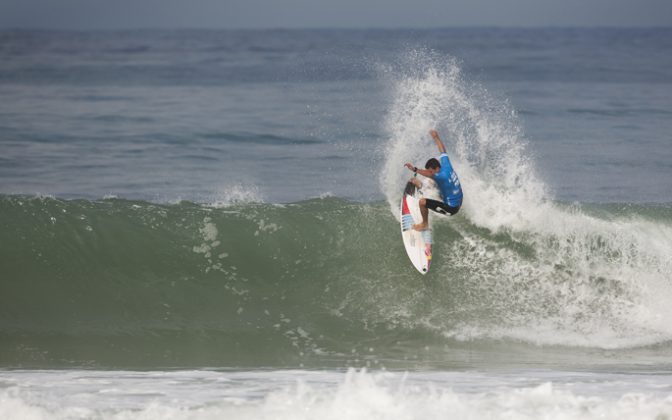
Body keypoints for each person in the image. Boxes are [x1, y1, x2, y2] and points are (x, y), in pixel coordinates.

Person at [404, 129, 463, 231]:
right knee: (432, 182)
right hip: (459, 199)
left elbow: (428, 174)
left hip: (451, 208)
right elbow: (442, 150)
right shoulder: (446, 164)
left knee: (422, 202)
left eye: (431, 171)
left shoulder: (440, 176)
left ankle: (424, 224)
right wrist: (436, 137)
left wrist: (415, 169)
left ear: (435, 168)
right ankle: (423, 187)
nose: (430, 173)